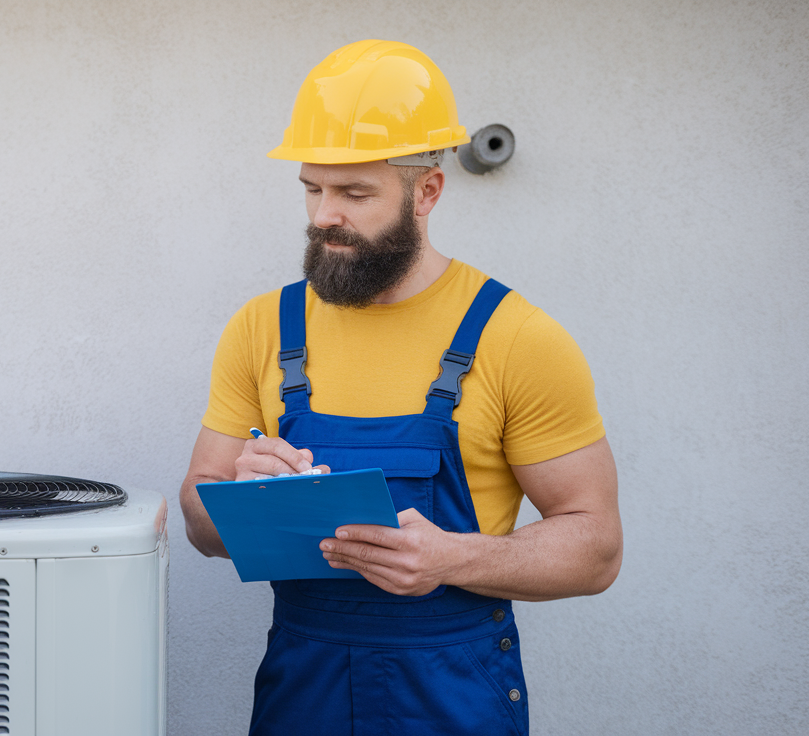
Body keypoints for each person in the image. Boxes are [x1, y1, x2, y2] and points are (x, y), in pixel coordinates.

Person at [179, 40, 622, 735]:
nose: (325, 215)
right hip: (304, 689)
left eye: (355, 194)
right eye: (313, 188)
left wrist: (454, 557)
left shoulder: (517, 338)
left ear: (428, 191)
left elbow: (596, 548)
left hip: (452, 694)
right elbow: (199, 523)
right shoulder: (262, 327)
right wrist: (240, 498)